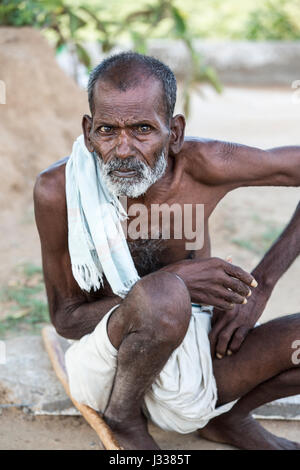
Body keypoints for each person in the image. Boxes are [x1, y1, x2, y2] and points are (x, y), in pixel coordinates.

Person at [34, 52, 300, 450]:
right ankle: (123, 418)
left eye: (143, 129)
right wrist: (172, 285)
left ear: (174, 132)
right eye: (108, 130)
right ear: (88, 131)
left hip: (194, 356)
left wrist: (261, 284)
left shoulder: (205, 165)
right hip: (110, 365)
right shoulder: (58, 191)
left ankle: (230, 419)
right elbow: (67, 319)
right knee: (166, 296)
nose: (123, 149)